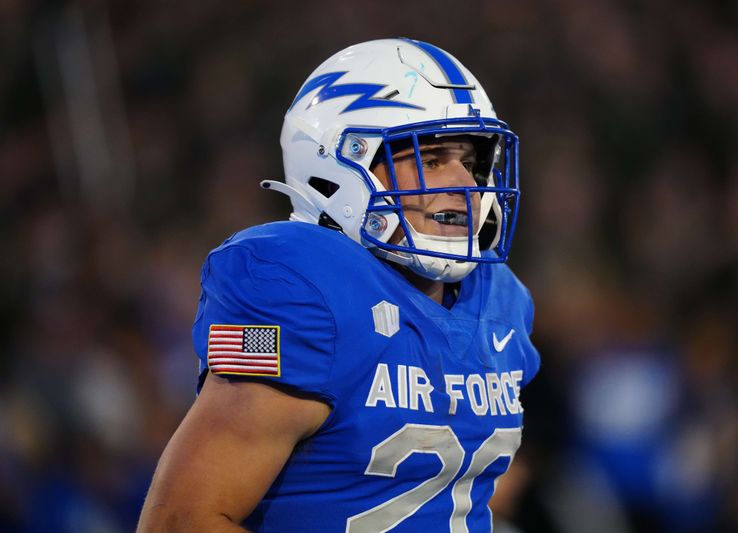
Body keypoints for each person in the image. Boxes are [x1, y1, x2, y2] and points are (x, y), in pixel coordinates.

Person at [137, 38, 540, 532]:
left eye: (473, 162)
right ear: (339, 165)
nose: (467, 183)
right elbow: (182, 521)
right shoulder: (300, 288)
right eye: (432, 159)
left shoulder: (500, 301)